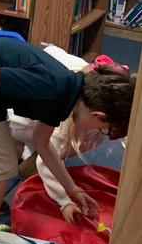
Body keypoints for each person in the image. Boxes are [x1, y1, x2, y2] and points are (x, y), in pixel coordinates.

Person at [0, 37, 135, 229]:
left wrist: (72, 189)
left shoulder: (67, 95)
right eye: (101, 128)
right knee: (0, 172)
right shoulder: (53, 88)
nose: (95, 132)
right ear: (98, 115)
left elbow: (42, 143)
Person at [9, 48, 130, 223]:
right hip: (13, 115)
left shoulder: (94, 86)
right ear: (98, 115)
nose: (102, 132)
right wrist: (64, 201)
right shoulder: (64, 121)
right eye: (104, 128)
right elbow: (45, 157)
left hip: (37, 88)